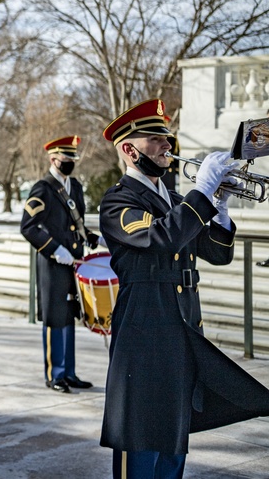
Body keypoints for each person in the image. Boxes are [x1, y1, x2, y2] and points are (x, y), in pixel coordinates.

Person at [98, 99, 269, 478]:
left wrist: (220, 208)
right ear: (129, 149)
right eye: (156, 139)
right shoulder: (118, 200)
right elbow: (162, 237)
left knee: (173, 434)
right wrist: (203, 192)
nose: (167, 146)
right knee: (140, 432)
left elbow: (216, 253)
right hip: (143, 325)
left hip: (181, 328)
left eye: (168, 138)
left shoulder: (174, 201)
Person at [19, 135, 101, 394]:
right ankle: (54, 374)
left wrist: (90, 238)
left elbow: (75, 222)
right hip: (53, 262)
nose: (71, 163)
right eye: (67, 159)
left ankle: (69, 372)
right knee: (55, 317)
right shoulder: (42, 188)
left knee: (68, 315)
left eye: (73, 159)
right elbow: (28, 227)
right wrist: (55, 249)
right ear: (53, 159)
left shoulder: (74, 186)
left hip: (73, 260)